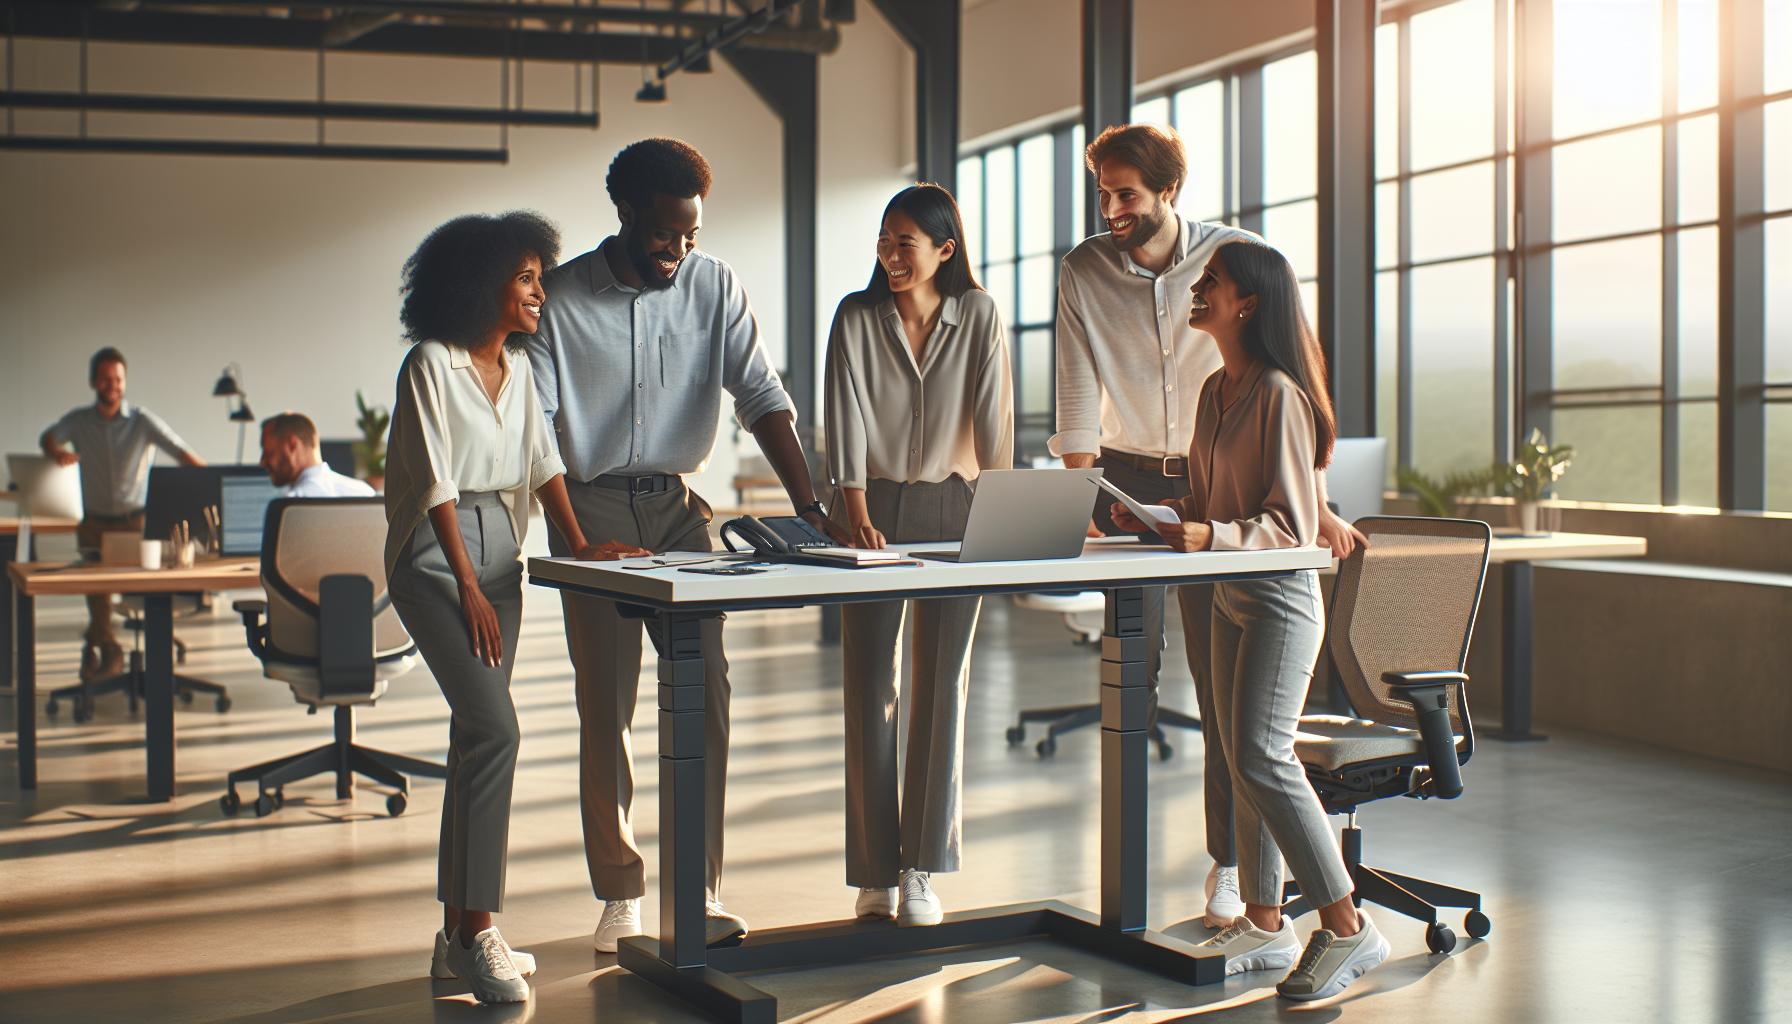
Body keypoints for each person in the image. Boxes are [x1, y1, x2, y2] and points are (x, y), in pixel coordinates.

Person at [527, 137, 847, 954]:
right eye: (667, 233)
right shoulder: (561, 300)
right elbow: (538, 440)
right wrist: (573, 543)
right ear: (627, 213)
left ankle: (696, 891)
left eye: (692, 235)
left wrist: (810, 503)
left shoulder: (714, 285)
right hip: (590, 509)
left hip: (677, 508)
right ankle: (620, 893)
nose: (680, 250)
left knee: (705, 693)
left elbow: (761, 394)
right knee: (608, 710)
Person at [1052, 123, 1365, 927]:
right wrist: (1077, 490)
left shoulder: (1232, 264)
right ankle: (1148, 895)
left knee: (1226, 696)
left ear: (1168, 193)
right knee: (1133, 664)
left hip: (1217, 489)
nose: (1112, 208)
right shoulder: (1086, 268)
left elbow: (1294, 383)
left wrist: (1312, 501)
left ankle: (1231, 869)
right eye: (1104, 193)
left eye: (1127, 193)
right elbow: (1078, 384)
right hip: (1133, 477)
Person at [1111, 240, 1389, 1001]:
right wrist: (1156, 518)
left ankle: (1348, 927)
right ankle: (1266, 923)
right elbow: (1212, 507)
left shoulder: (1278, 394)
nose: (1198, 289)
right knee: (1238, 761)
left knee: (1265, 756)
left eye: (1213, 282)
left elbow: (1293, 527)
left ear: (1249, 303)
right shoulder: (1215, 392)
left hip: (1279, 598)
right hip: (1230, 590)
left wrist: (1213, 536)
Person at [383, 210, 609, 1004]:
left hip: (500, 557)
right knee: (497, 728)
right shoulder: (430, 365)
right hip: (433, 561)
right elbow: (437, 479)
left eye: (538, 276)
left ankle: (454, 938)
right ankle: (480, 931)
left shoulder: (521, 369)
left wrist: (580, 544)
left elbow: (544, 463)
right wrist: (468, 584)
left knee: (475, 737)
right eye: (526, 277)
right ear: (482, 284)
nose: (540, 290)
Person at [824, 184, 1013, 926]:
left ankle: (921, 867)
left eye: (906, 241)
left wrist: (1003, 521)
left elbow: (995, 421)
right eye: (884, 240)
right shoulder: (856, 316)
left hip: (955, 508)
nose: (891, 254)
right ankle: (874, 867)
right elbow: (843, 413)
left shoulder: (981, 315)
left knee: (942, 685)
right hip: (872, 508)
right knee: (870, 681)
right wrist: (855, 513)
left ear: (945, 248)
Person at [40, 347, 205, 682]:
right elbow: (48, 437)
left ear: (124, 381)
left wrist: (210, 480)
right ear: (93, 382)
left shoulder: (141, 420)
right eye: (105, 378)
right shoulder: (79, 420)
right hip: (93, 521)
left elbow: (180, 450)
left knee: (142, 589)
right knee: (97, 594)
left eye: (117, 379)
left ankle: (102, 643)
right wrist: (57, 452)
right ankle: (108, 646)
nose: (111, 385)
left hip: (135, 522)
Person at [258, 412, 374, 497]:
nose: (262, 462)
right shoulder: (364, 492)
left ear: (292, 445)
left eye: (268, 452)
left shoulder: (291, 504)